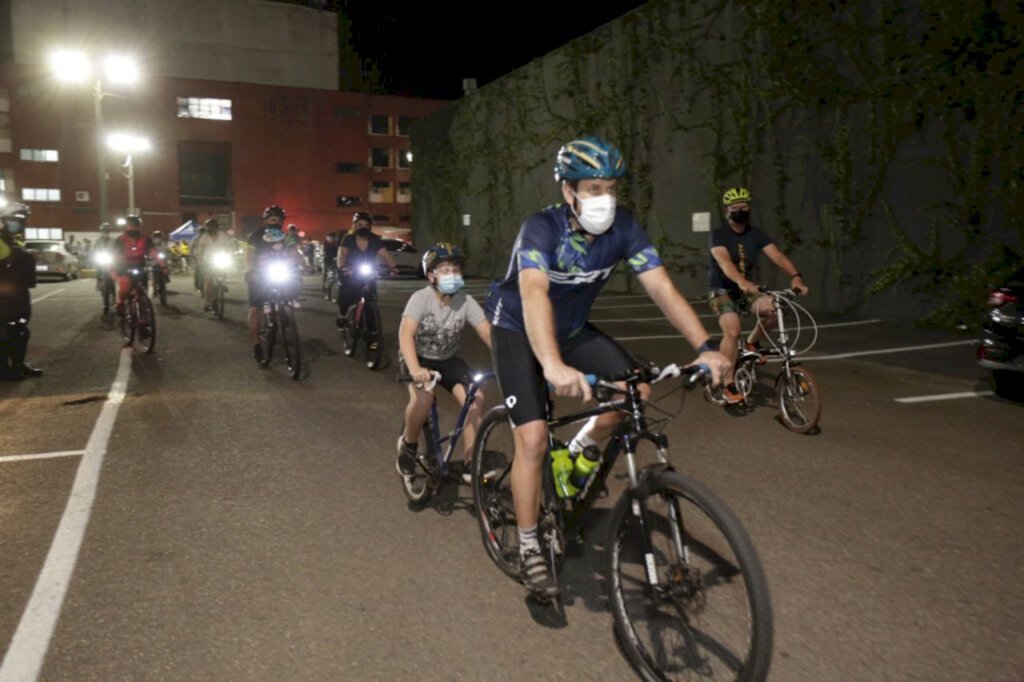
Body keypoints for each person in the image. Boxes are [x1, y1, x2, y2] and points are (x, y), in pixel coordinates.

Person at [484, 136, 730, 597]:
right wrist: (552, 365)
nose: (605, 198)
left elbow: (660, 288)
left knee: (631, 396)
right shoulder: (540, 229)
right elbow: (534, 292)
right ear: (569, 191)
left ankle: (572, 456)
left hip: (572, 327)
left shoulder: (625, 230)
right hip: (517, 326)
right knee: (533, 438)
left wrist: (705, 345)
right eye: (593, 187)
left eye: (611, 187)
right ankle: (532, 543)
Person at [396, 243, 492, 484]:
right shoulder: (421, 299)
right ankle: (408, 444)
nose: (452, 275)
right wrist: (416, 369)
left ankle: (472, 462)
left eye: (456, 269)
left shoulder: (466, 301)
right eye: (445, 270)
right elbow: (405, 334)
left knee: (475, 400)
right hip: (418, 358)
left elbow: (488, 333)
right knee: (424, 399)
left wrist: (511, 359)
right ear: (431, 276)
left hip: (449, 360)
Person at [707, 187, 809, 404]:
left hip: (747, 289)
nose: (740, 211)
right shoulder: (719, 234)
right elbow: (724, 262)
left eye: (744, 207)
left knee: (775, 310)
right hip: (722, 290)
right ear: (727, 211)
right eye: (735, 208)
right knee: (732, 332)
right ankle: (728, 383)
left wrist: (796, 277)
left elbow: (778, 256)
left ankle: (752, 344)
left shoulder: (757, 234)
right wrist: (741, 281)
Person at [334, 213, 398, 344]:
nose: (363, 227)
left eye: (366, 225)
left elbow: (385, 254)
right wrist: (342, 267)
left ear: (370, 227)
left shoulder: (374, 239)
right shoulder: (348, 239)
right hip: (350, 272)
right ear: (355, 226)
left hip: (367, 273)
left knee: (370, 303)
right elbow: (342, 254)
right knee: (345, 295)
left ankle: (372, 333)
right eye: (360, 225)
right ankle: (342, 315)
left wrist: (394, 268)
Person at [246, 205, 298, 362]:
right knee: (256, 309)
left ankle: (284, 315)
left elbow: (293, 252)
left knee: (290, 296)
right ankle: (256, 344)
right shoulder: (255, 236)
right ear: (266, 220)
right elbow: (248, 257)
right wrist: (250, 271)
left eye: (279, 220)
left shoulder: (286, 236)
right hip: (259, 275)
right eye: (272, 219)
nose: (276, 223)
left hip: (279, 272)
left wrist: (296, 263)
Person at [0, 202, 43, 379]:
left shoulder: (15, 241)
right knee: (5, 331)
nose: (19, 224)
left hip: (19, 294)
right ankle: (4, 370)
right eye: (14, 220)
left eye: (22, 221)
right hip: (3, 295)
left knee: (21, 330)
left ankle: (18, 364)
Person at [111, 216, 157, 324]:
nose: (132, 228)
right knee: (125, 287)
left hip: (140, 266)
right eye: (130, 225)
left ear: (138, 227)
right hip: (124, 266)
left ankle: (144, 317)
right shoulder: (120, 239)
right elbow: (115, 254)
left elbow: (153, 251)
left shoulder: (146, 238)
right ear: (127, 226)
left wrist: (157, 261)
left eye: (135, 226)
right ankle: (121, 303)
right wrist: (116, 263)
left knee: (142, 291)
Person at [194, 219, 230, 312]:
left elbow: (228, 247)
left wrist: (230, 254)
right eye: (208, 227)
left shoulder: (223, 236)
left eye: (212, 227)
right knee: (208, 280)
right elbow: (201, 250)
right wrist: (200, 260)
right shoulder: (204, 237)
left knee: (223, 271)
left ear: (217, 228)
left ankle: (222, 283)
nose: (210, 229)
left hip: (220, 258)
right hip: (208, 260)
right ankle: (207, 302)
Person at [321, 231, 339, 299]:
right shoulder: (325, 243)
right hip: (327, 261)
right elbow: (323, 251)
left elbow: (339, 251)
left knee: (335, 276)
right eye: (330, 237)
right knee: (326, 274)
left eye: (333, 237)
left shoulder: (337, 244)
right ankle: (325, 287)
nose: (331, 239)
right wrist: (325, 255)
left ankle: (333, 291)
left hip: (335, 261)